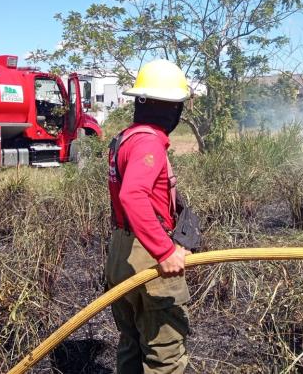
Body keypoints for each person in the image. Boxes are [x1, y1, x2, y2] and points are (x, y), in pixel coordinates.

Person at [106, 59, 192, 374]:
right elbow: (133, 195)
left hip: (122, 252)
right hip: (146, 258)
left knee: (130, 342)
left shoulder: (126, 137)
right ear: (169, 107)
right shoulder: (148, 141)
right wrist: (165, 250)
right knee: (165, 357)